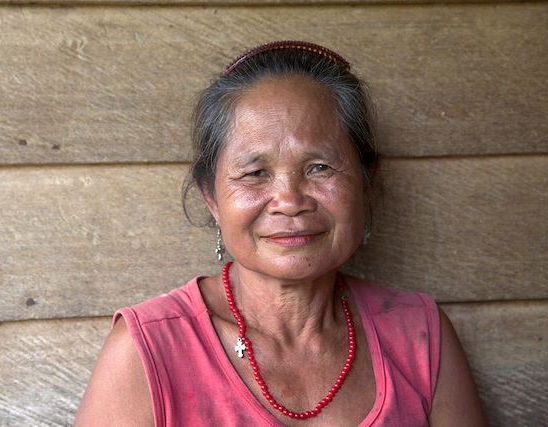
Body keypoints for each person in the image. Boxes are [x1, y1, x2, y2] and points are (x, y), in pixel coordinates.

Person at [75, 41, 485, 426]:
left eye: (319, 168)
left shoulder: (421, 337)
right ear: (211, 198)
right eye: (255, 173)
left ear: (366, 184)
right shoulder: (146, 351)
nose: (289, 201)